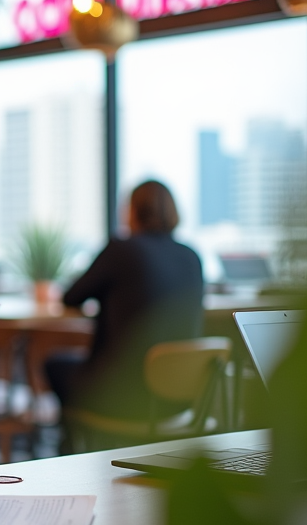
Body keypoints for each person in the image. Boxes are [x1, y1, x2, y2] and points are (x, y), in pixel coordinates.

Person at [44, 180, 204, 424]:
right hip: (178, 399)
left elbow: (72, 297)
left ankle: (78, 448)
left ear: (132, 211)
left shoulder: (123, 250)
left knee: (55, 364)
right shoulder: (191, 256)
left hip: (122, 395)